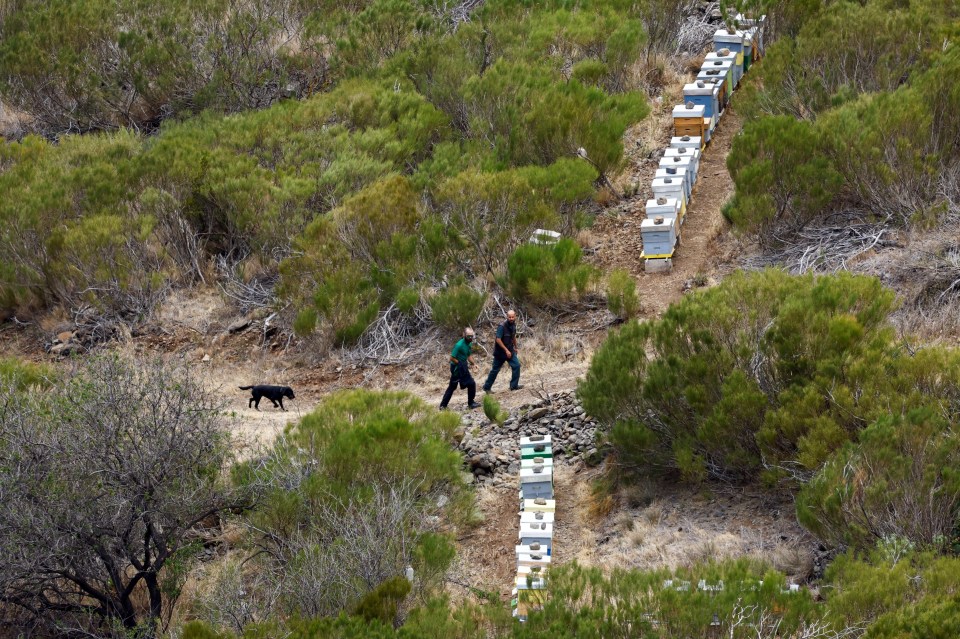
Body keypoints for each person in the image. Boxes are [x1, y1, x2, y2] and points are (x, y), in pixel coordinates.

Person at [439, 327, 481, 410]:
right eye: (469, 336)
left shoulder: (469, 343)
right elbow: (452, 358)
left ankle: (471, 403)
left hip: (462, 366)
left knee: (471, 383)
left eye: (472, 336)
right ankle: (443, 406)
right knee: (453, 386)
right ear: (464, 335)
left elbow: (468, 355)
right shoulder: (459, 345)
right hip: (456, 368)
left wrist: (473, 364)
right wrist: (461, 364)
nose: (470, 338)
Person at [482, 309, 523, 393]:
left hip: (510, 350)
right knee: (495, 370)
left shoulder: (514, 325)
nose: (511, 318)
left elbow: (513, 336)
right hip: (500, 353)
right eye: (509, 317)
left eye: (512, 317)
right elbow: (498, 339)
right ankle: (487, 387)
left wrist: (515, 347)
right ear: (507, 317)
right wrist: (506, 350)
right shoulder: (502, 326)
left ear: (515, 317)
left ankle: (514, 386)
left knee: (516, 366)